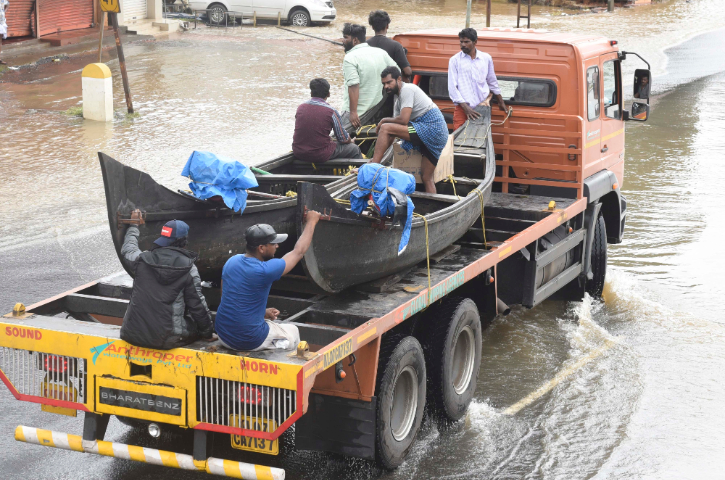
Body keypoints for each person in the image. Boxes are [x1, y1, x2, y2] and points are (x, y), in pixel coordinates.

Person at [215, 211, 322, 352]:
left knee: (268, 323)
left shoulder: (231, 261)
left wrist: (261, 313)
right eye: (274, 243)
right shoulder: (265, 270)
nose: (277, 246)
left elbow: (227, 298)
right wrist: (312, 221)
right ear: (261, 248)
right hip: (248, 341)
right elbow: (298, 252)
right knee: (293, 332)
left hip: (223, 335)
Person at [120, 214, 214, 350]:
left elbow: (128, 249)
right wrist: (208, 333)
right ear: (184, 241)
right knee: (194, 322)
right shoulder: (189, 269)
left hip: (131, 333)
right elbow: (197, 306)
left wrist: (133, 225)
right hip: (168, 340)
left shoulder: (142, 260)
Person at [372, 66, 449, 194]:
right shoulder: (397, 99)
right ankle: (434, 207)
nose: (386, 86)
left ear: (399, 79)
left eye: (389, 82)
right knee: (427, 178)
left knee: (385, 127)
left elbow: (403, 120)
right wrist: (380, 154)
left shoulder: (407, 89)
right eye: (384, 84)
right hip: (438, 134)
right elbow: (392, 133)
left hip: (432, 128)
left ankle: (372, 168)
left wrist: (383, 121)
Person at [448, 28, 508, 130]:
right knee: (459, 139)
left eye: (466, 42)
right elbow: (452, 87)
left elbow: (492, 81)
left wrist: (501, 102)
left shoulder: (486, 58)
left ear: (475, 42)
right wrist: (466, 108)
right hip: (462, 108)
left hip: (483, 107)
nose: (463, 45)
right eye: (461, 42)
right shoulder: (454, 60)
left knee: (480, 138)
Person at [341, 22, 398, 130]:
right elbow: (397, 72)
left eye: (345, 38)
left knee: (336, 140)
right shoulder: (381, 53)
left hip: (356, 114)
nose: (343, 41)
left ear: (355, 40)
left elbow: (353, 85)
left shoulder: (350, 58)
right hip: (376, 110)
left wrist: (353, 112)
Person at [292, 78, 362, 163]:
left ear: (311, 93)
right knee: (354, 149)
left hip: (298, 152)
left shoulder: (300, 108)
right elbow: (343, 138)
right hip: (320, 154)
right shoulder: (331, 111)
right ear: (328, 94)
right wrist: (350, 141)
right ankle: (360, 172)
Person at [367, 10, 412, 82]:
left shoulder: (365, 45)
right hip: (389, 88)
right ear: (387, 26)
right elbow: (408, 72)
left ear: (372, 27)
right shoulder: (396, 45)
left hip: (370, 84)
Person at [0, 0, 8, 65]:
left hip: (1, 23)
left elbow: (7, 4)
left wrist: (4, 12)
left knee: (0, 42)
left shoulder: (2, 0)